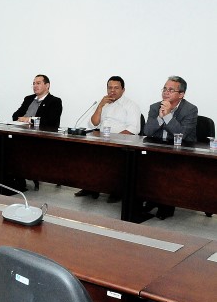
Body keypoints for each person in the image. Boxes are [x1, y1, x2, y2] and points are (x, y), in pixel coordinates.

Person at [74, 76, 141, 201]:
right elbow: (93, 124)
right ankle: (91, 187)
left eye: (116, 88)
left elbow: (134, 129)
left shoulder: (131, 106)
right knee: (85, 151)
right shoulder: (103, 102)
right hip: (103, 140)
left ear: (123, 90)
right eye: (110, 87)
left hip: (121, 142)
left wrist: (114, 139)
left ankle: (116, 191)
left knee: (112, 159)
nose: (112, 91)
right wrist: (100, 106)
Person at [142, 76, 198, 220]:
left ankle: (167, 203)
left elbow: (183, 134)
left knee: (168, 165)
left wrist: (167, 117)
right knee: (140, 160)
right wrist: (160, 117)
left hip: (181, 150)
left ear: (181, 94)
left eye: (171, 90)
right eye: (165, 89)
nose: (166, 92)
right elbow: (147, 131)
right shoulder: (155, 107)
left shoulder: (190, 109)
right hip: (158, 147)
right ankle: (151, 199)